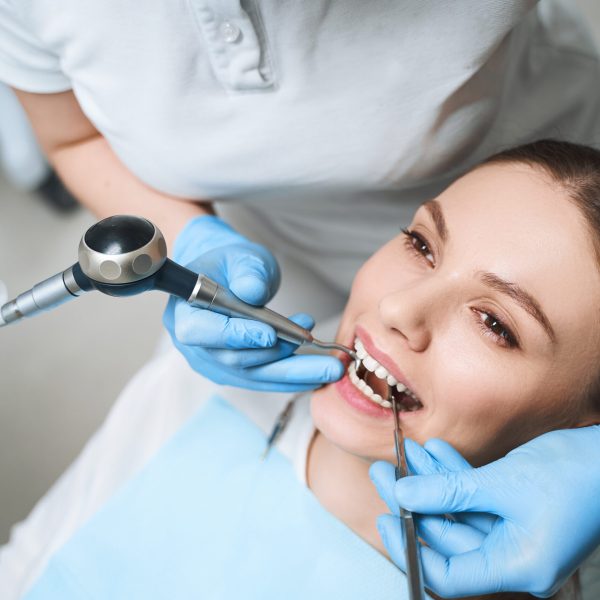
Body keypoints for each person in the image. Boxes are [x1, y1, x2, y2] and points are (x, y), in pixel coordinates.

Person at [1, 2, 600, 596]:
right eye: (420, 243)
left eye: (494, 324)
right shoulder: (200, 394)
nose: (396, 309)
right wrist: (189, 238)